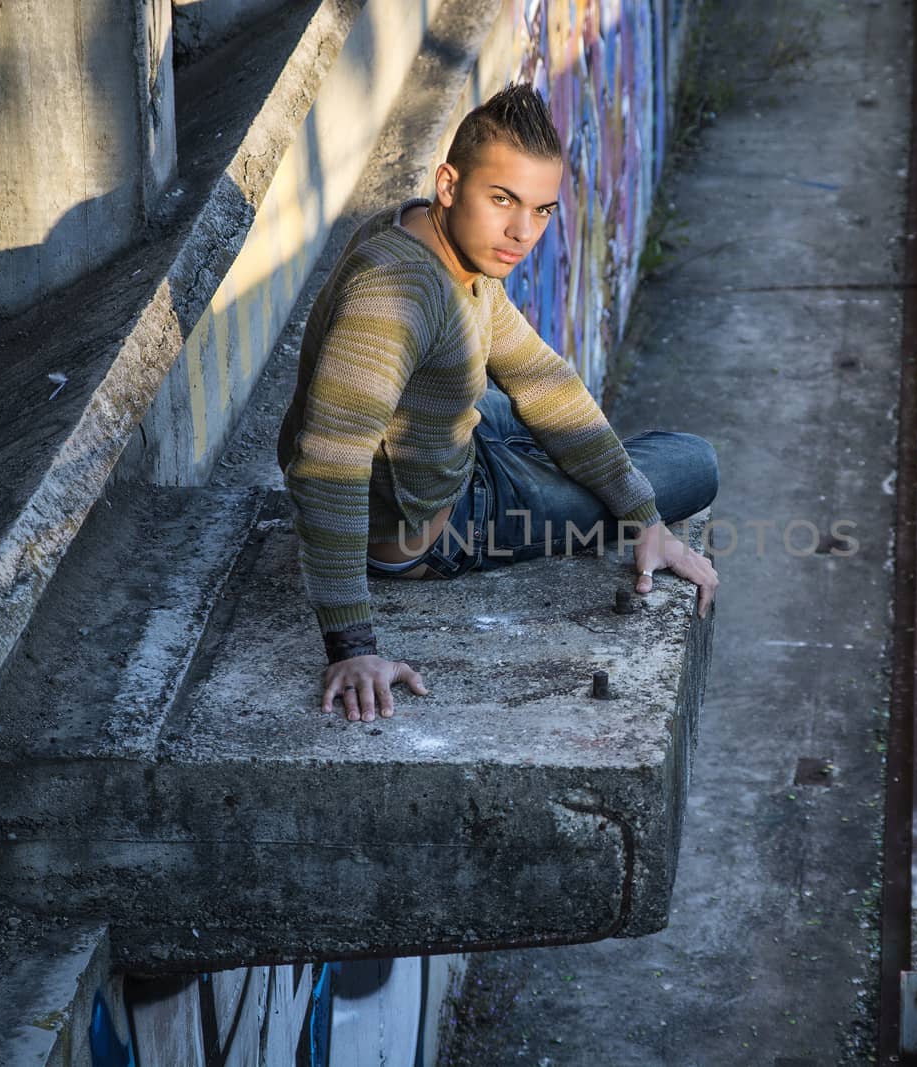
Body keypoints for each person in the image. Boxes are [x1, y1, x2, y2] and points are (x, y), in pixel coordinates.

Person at [277, 83, 720, 725]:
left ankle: (584, 476)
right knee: (693, 464)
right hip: (443, 523)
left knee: (558, 422)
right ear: (450, 183)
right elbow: (324, 463)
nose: (522, 232)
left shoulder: (443, 244)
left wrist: (642, 515)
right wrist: (352, 645)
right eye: (503, 200)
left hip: (445, 441)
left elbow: (543, 380)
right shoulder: (395, 296)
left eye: (542, 211)